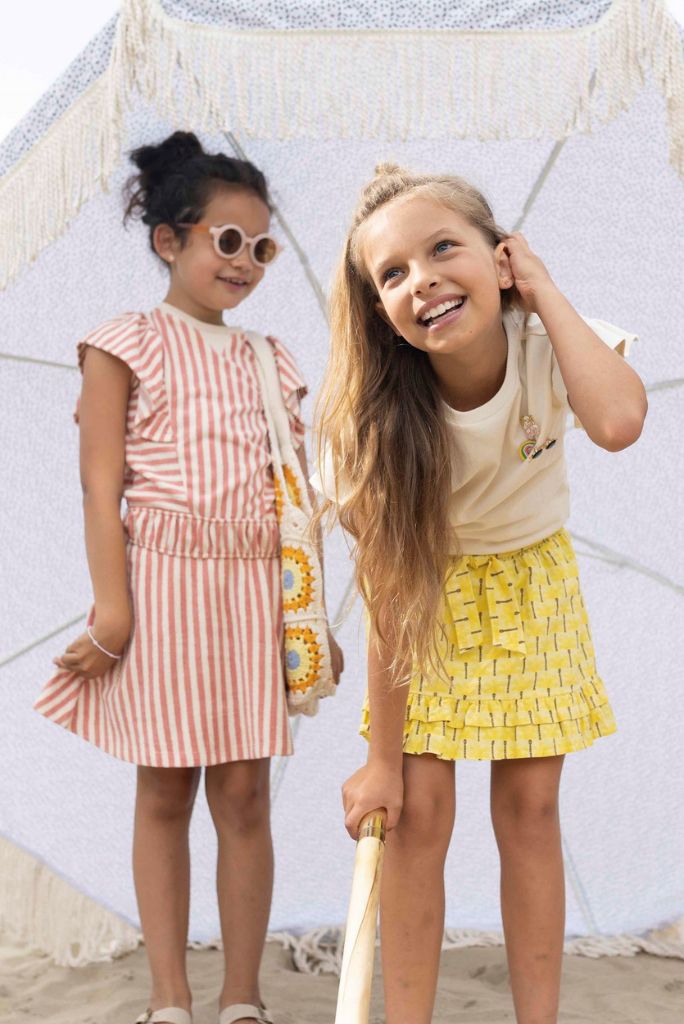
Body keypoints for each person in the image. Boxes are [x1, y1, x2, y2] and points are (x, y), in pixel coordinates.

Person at [313, 164, 646, 1024]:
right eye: (391, 274)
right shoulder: (376, 425)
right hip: (427, 597)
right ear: (381, 315)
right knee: (419, 820)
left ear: (498, 260)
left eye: (442, 249)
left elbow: (615, 423)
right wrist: (382, 759)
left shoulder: (548, 344)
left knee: (530, 811)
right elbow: (390, 598)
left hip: (535, 584)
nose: (420, 277)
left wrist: (539, 288)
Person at [35, 131, 343, 1024]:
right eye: (227, 241)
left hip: (253, 591)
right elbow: (103, 490)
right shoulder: (123, 344)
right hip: (163, 585)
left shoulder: (269, 358)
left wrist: (309, 613)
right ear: (170, 240)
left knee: (244, 792)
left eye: (263, 247)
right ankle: (169, 997)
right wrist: (112, 608)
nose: (246, 263)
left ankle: (241, 997)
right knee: (165, 787)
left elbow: (294, 496)